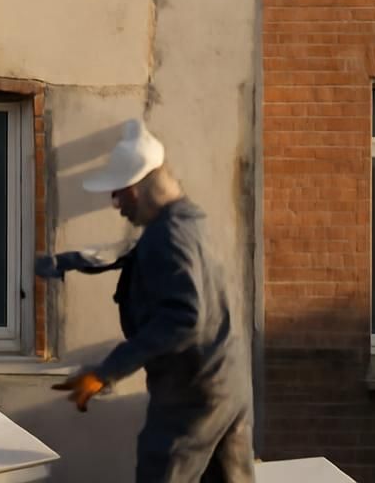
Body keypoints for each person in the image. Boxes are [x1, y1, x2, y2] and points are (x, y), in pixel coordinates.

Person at [37, 120, 254, 483]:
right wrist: (65, 262)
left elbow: (184, 318)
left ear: (135, 191)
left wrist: (106, 371)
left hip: (189, 396)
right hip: (227, 385)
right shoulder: (190, 222)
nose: (116, 204)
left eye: (118, 194)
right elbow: (129, 253)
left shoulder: (168, 235)